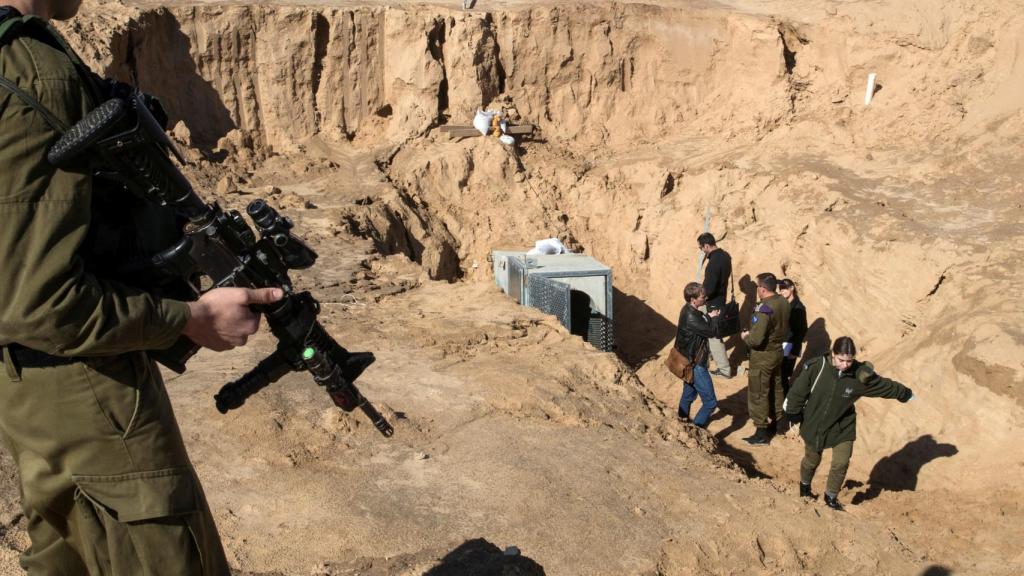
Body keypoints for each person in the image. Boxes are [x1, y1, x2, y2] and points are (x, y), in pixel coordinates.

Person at [1, 1, 281, 573]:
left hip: (29, 389)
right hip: (90, 393)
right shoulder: (30, 70)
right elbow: (38, 301)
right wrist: (191, 320)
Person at [784, 337, 914, 511]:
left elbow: (883, 386)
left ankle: (831, 497)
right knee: (811, 460)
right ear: (833, 354)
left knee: (841, 462)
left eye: (849, 361)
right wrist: (794, 413)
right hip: (815, 422)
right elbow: (798, 392)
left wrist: (904, 393)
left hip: (842, 425)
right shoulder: (817, 367)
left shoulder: (860, 375)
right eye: (841, 360)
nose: (845, 365)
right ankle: (805, 487)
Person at [740, 272, 789, 445]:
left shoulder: (764, 309)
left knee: (758, 392)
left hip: (762, 356)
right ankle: (779, 423)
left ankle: (761, 433)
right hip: (777, 352)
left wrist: (746, 336)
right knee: (776, 388)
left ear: (762, 289)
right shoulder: (783, 302)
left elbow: (756, 339)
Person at [673, 282, 722, 428]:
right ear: (693, 299)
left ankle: (681, 423)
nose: (705, 298)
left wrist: (707, 316)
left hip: (689, 361)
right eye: (702, 297)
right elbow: (711, 332)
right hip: (695, 364)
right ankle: (697, 429)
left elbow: (700, 321)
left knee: (688, 395)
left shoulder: (689, 310)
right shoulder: (691, 316)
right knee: (711, 402)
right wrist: (714, 319)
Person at [697, 232, 733, 378]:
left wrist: (700, 298)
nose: (702, 250)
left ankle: (724, 370)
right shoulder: (725, 256)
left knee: (714, 336)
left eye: (701, 248)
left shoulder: (713, 263)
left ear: (707, 245)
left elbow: (710, 288)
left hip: (713, 303)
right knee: (710, 332)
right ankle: (709, 355)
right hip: (720, 300)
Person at [778, 278, 807, 397]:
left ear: (792, 288)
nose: (781, 291)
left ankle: (785, 404)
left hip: (790, 346)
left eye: (784, 288)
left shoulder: (798, 307)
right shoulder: (784, 304)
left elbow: (801, 330)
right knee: (779, 376)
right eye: (780, 289)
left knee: (783, 377)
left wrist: (794, 351)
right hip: (782, 344)